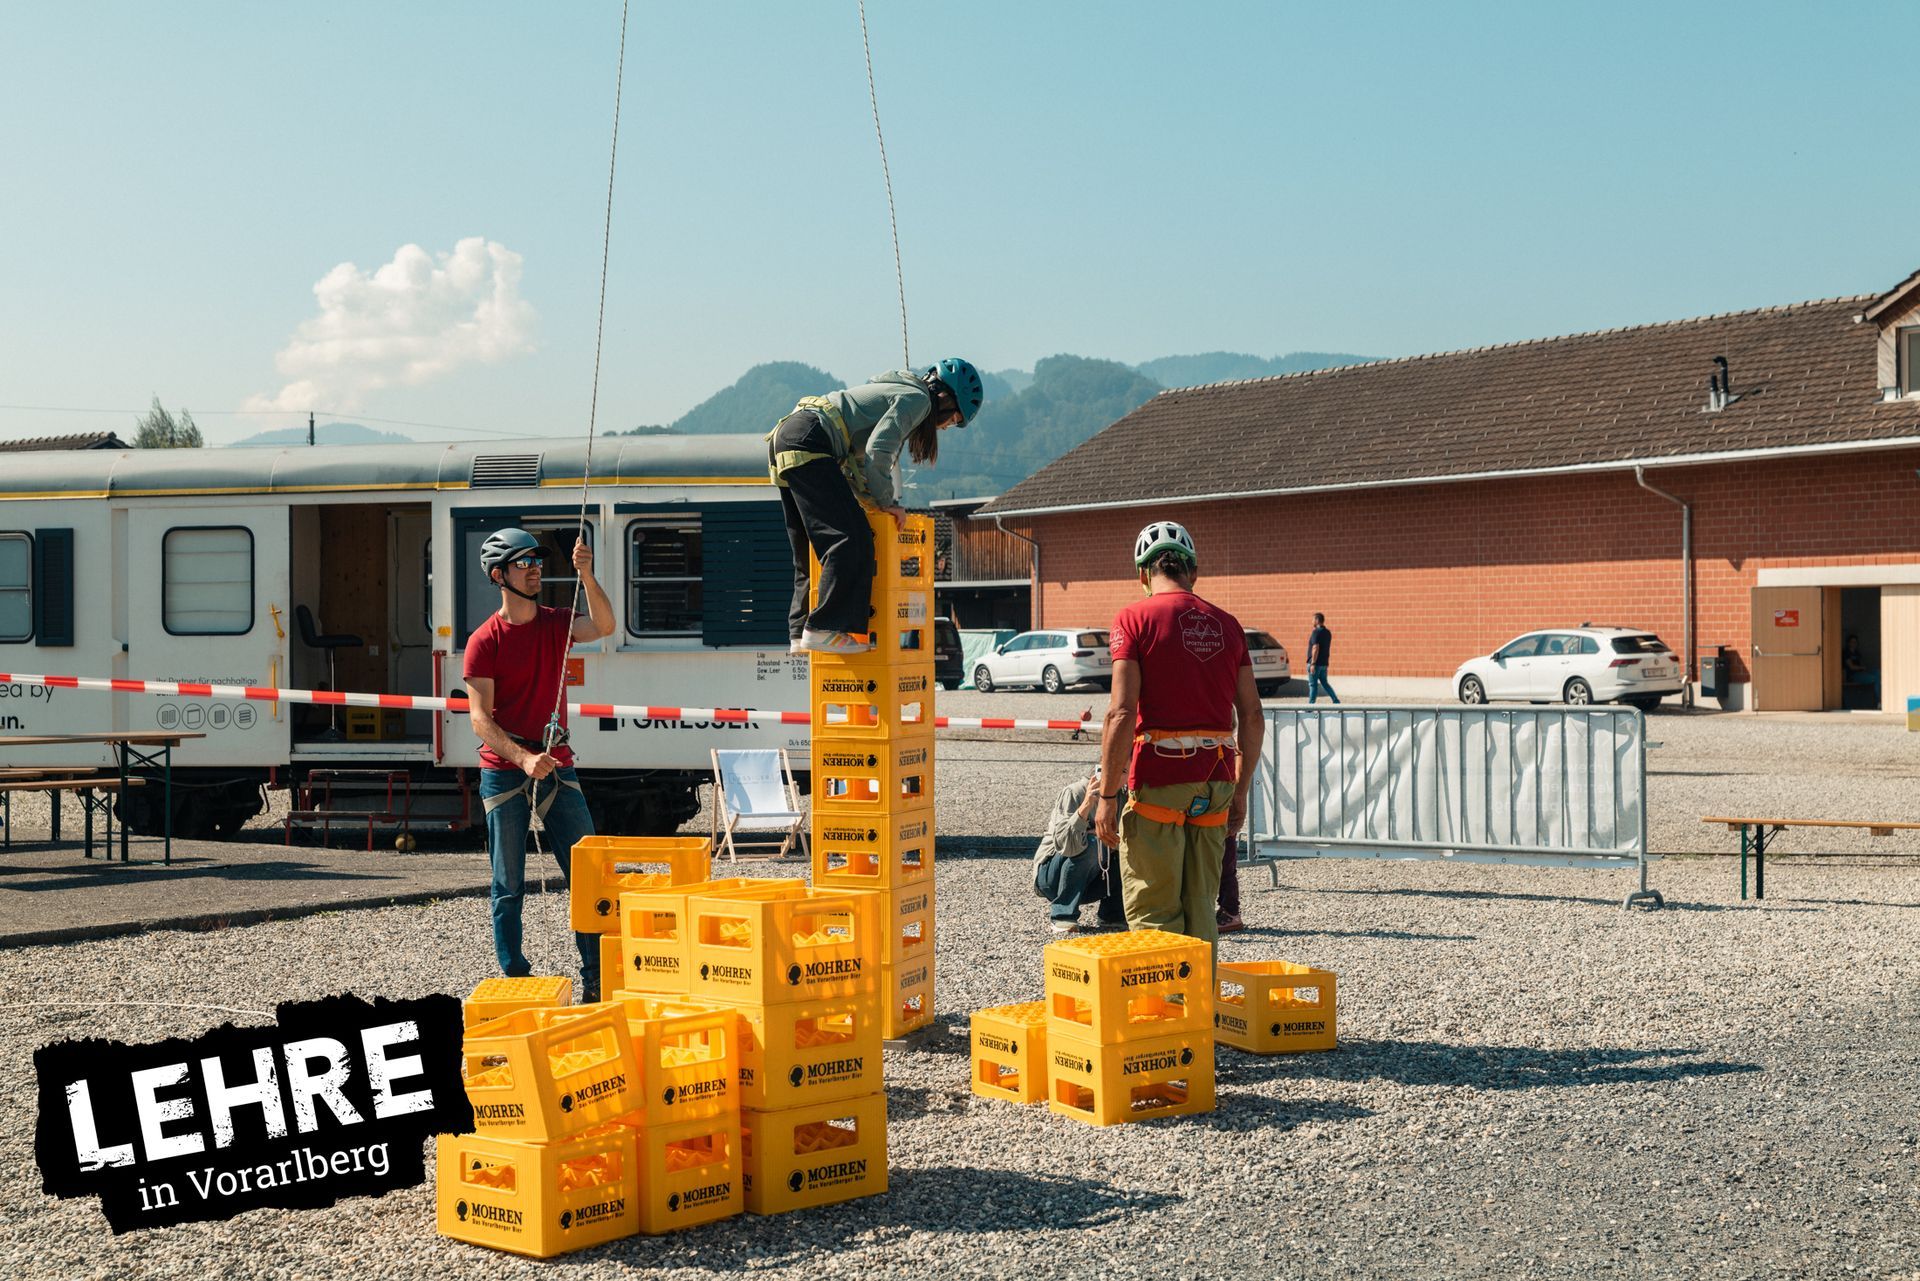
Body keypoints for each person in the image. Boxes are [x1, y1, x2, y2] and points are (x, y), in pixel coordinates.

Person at [1095, 521, 1265, 945]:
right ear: (1194, 571)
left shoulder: (1134, 618)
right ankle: (1199, 1003)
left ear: (1143, 575)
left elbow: (1120, 712)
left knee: (1154, 909)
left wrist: (1107, 796)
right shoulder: (1228, 624)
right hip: (1217, 779)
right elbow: (1253, 715)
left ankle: (1166, 1008)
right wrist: (1241, 791)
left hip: (1160, 776)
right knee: (1201, 907)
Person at [463, 528, 615, 1001]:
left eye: (537, 560)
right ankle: (516, 980)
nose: (535, 568)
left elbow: (606, 626)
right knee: (508, 885)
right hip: (505, 770)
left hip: (558, 763)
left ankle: (595, 977)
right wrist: (523, 758)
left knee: (588, 875)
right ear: (498, 574)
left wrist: (587, 575)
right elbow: (479, 720)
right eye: (523, 561)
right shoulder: (483, 641)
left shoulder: (556, 622)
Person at [766, 359, 984, 655]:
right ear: (946, 399)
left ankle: (799, 631)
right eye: (955, 420)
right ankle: (824, 628)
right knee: (852, 539)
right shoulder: (918, 399)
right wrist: (887, 502)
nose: (947, 427)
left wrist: (874, 503)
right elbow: (878, 451)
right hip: (811, 439)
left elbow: (857, 465)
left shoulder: (895, 390)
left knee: (809, 549)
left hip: (788, 436)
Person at [1033, 767, 1129, 934]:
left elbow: (1128, 838)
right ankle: (1063, 915)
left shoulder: (1123, 797)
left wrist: (1106, 836)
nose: (1124, 777)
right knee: (1093, 844)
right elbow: (1066, 845)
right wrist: (1086, 805)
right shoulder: (1074, 792)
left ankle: (1112, 915)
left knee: (1126, 851)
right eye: (1121, 770)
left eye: (1126, 771)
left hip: (1092, 880)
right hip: (1051, 877)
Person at [1306, 611, 1339, 704]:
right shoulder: (1328, 632)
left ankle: (1310, 707)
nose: (1312, 622)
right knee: (1325, 683)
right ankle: (1336, 701)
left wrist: (1313, 663)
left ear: (1317, 620)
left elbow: (1315, 647)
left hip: (1315, 664)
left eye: (1313, 620)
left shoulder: (1316, 632)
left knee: (1313, 685)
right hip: (1324, 663)